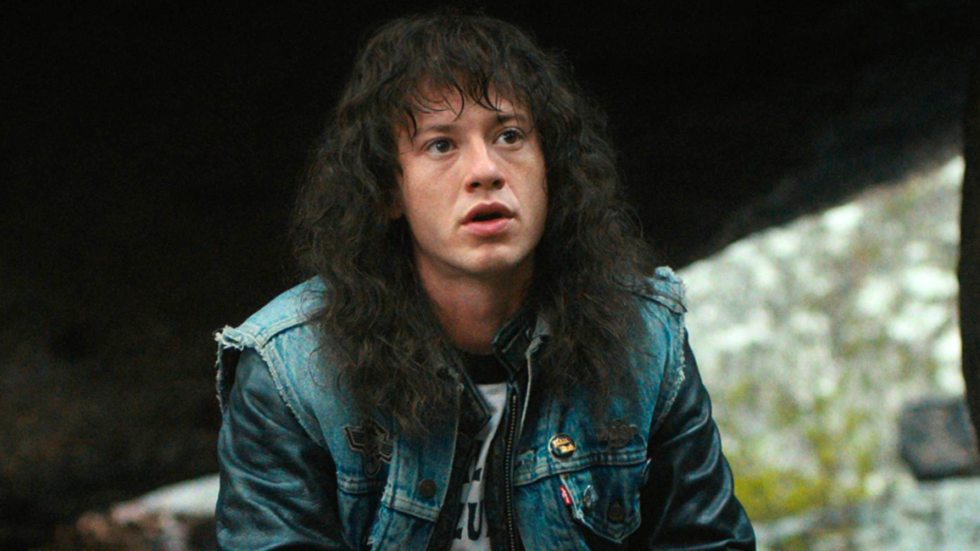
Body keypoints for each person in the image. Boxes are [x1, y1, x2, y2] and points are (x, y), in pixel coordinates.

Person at [213, 11, 755, 551]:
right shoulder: (292, 370)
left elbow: (708, 542)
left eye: (510, 135)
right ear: (386, 192)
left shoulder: (645, 338)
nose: (485, 170)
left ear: (552, 168)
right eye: (441, 145)